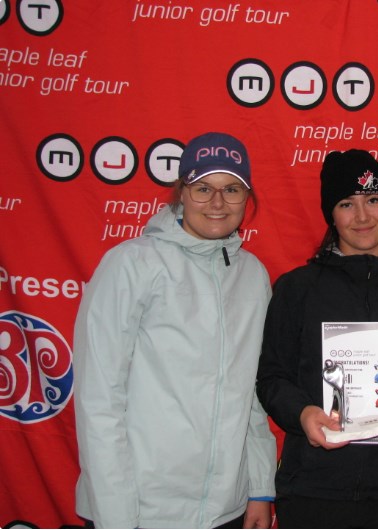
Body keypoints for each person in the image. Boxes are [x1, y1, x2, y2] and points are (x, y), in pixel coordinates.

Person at [73, 132, 277, 529]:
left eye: (232, 189)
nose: (217, 203)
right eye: (203, 188)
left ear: (247, 198)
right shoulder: (131, 265)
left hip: (227, 512)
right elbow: (99, 401)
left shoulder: (253, 276)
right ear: (181, 193)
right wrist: (116, 517)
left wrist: (258, 488)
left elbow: (251, 394)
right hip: (143, 512)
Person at [256, 149, 378, 529]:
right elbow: (271, 379)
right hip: (315, 490)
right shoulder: (297, 289)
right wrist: (303, 414)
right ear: (332, 214)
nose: (362, 216)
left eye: (373, 200)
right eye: (347, 203)